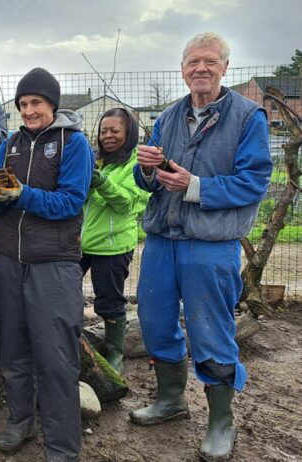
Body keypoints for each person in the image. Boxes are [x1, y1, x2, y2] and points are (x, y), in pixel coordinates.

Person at [129, 32, 273, 461]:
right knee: (154, 321)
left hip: (210, 244)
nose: (201, 69)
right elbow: (146, 183)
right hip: (161, 239)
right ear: (182, 69)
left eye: (210, 61)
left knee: (211, 331)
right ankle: (171, 400)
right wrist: (148, 171)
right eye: (193, 62)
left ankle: (220, 422)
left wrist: (196, 187)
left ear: (225, 67)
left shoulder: (249, 117)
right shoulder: (169, 117)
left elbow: (254, 181)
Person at [0, 68, 93, 461]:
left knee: (56, 358)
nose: (29, 110)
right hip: (9, 261)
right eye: (23, 104)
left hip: (54, 263)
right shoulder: (10, 143)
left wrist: (21, 195)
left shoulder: (73, 143)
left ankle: (62, 446)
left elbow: (70, 202)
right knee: (13, 349)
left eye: (36, 103)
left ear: (52, 104)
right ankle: (20, 422)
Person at [80, 107, 149, 373]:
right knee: (64, 290)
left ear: (128, 133)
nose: (107, 136)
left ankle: (114, 356)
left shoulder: (137, 165)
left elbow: (127, 202)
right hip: (81, 242)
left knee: (109, 301)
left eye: (115, 131)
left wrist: (99, 182)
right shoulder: (97, 160)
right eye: (103, 131)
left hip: (112, 245)